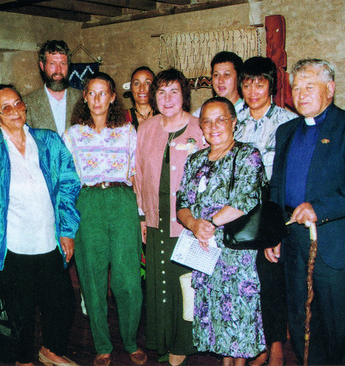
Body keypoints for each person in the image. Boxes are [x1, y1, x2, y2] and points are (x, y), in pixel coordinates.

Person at [267, 58, 345, 365]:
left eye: (310, 86)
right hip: (294, 243)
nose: (301, 94)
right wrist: (275, 232)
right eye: (296, 87)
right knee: (302, 321)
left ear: (329, 89)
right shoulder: (286, 131)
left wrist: (319, 208)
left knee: (340, 326)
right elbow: (277, 188)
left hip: (337, 245)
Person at [0, 84, 81, 366]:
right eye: (5, 107)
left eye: (18, 103)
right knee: (17, 309)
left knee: (60, 302)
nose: (15, 111)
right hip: (11, 243)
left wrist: (67, 231)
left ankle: (51, 350)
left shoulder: (48, 140)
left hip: (49, 239)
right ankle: (23, 360)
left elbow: (69, 184)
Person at [62, 72, 146, 366]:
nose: (97, 99)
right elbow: (66, 181)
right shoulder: (72, 134)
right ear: (84, 96)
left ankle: (132, 340)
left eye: (103, 93)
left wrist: (142, 216)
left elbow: (137, 175)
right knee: (92, 278)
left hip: (122, 202)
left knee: (127, 280)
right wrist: (67, 223)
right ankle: (102, 344)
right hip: (88, 203)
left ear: (112, 97)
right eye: (91, 93)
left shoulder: (127, 132)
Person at [177, 97, 267, 366]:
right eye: (207, 121)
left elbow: (245, 198)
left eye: (221, 119)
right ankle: (225, 363)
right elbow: (182, 202)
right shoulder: (195, 161)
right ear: (201, 126)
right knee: (216, 311)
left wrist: (211, 224)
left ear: (233, 122)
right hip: (205, 248)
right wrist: (195, 224)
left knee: (237, 311)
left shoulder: (247, 155)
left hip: (235, 251)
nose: (213, 126)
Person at [134, 68, 207, 366]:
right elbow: (138, 174)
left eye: (173, 91)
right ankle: (161, 339)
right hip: (155, 218)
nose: (167, 98)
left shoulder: (198, 127)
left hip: (187, 222)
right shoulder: (146, 128)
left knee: (183, 285)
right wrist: (141, 216)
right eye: (161, 92)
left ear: (184, 95)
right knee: (157, 281)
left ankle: (181, 344)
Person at [236, 56, 297, 366]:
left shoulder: (288, 122)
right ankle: (251, 343)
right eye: (247, 84)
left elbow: (290, 174)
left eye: (259, 83)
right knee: (245, 281)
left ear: (271, 84)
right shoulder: (234, 120)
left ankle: (275, 346)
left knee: (271, 280)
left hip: (273, 203)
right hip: (239, 209)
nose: (253, 91)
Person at [25, 40, 81, 135]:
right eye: (52, 64)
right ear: (42, 66)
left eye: (63, 63)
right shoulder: (28, 103)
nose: (58, 70)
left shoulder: (82, 98)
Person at [193, 51, 245, 124]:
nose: (220, 80)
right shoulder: (204, 111)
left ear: (238, 78)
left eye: (226, 75)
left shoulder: (246, 112)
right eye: (216, 75)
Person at [125, 66, 157, 130]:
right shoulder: (123, 117)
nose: (142, 89)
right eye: (136, 83)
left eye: (147, 83)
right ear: (131, 88)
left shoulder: (164, 116)